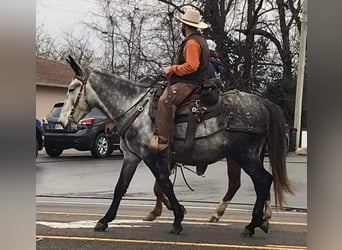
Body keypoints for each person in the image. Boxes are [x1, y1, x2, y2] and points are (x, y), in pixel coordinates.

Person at [149, 8, 210, 152]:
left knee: (165, 101)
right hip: (196, 81)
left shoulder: (191, 43)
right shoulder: (200, 40)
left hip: (189, 83)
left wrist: (172, 69)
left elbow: (192, 66)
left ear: (185, 26)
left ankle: (163, 143)